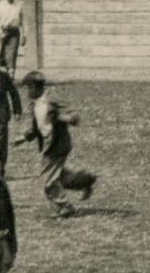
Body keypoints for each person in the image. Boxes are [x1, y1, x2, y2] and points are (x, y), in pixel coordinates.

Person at [19, 71, 96, 218]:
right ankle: (85, 180)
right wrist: (25, 137)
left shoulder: (51, 101)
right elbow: (37, 126)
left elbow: (74, 117)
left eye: (28, 88)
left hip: (57, 145)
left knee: (48, 180)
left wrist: (62, 117)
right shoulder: (35, 104)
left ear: (36, 87)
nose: (27, 92)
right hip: (48, 145)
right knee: (59, 177)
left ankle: (65, 207)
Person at [0, 0, 24, 74]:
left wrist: (24, 35)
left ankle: (11, 73)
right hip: (4, 32)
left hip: (14, 32)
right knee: (3, 53)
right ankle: (8, 72)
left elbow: (22, 22)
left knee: (12, 52)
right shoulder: (0, 6)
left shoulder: (18, 6)